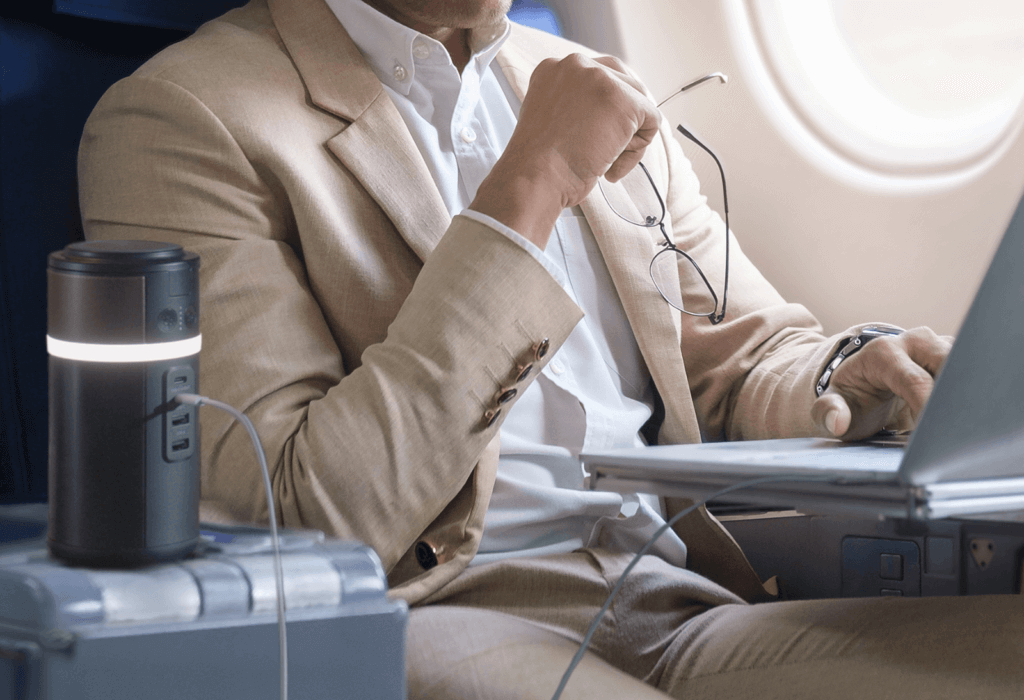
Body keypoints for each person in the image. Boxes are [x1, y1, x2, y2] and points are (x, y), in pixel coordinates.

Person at [77, 0, 1023, 697]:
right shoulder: (185, 118)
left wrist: (843, 377)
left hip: (671, 594)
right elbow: (302, 514)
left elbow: (732, 355)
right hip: (442, 612)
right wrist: (529, 184)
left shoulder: (580, 77)